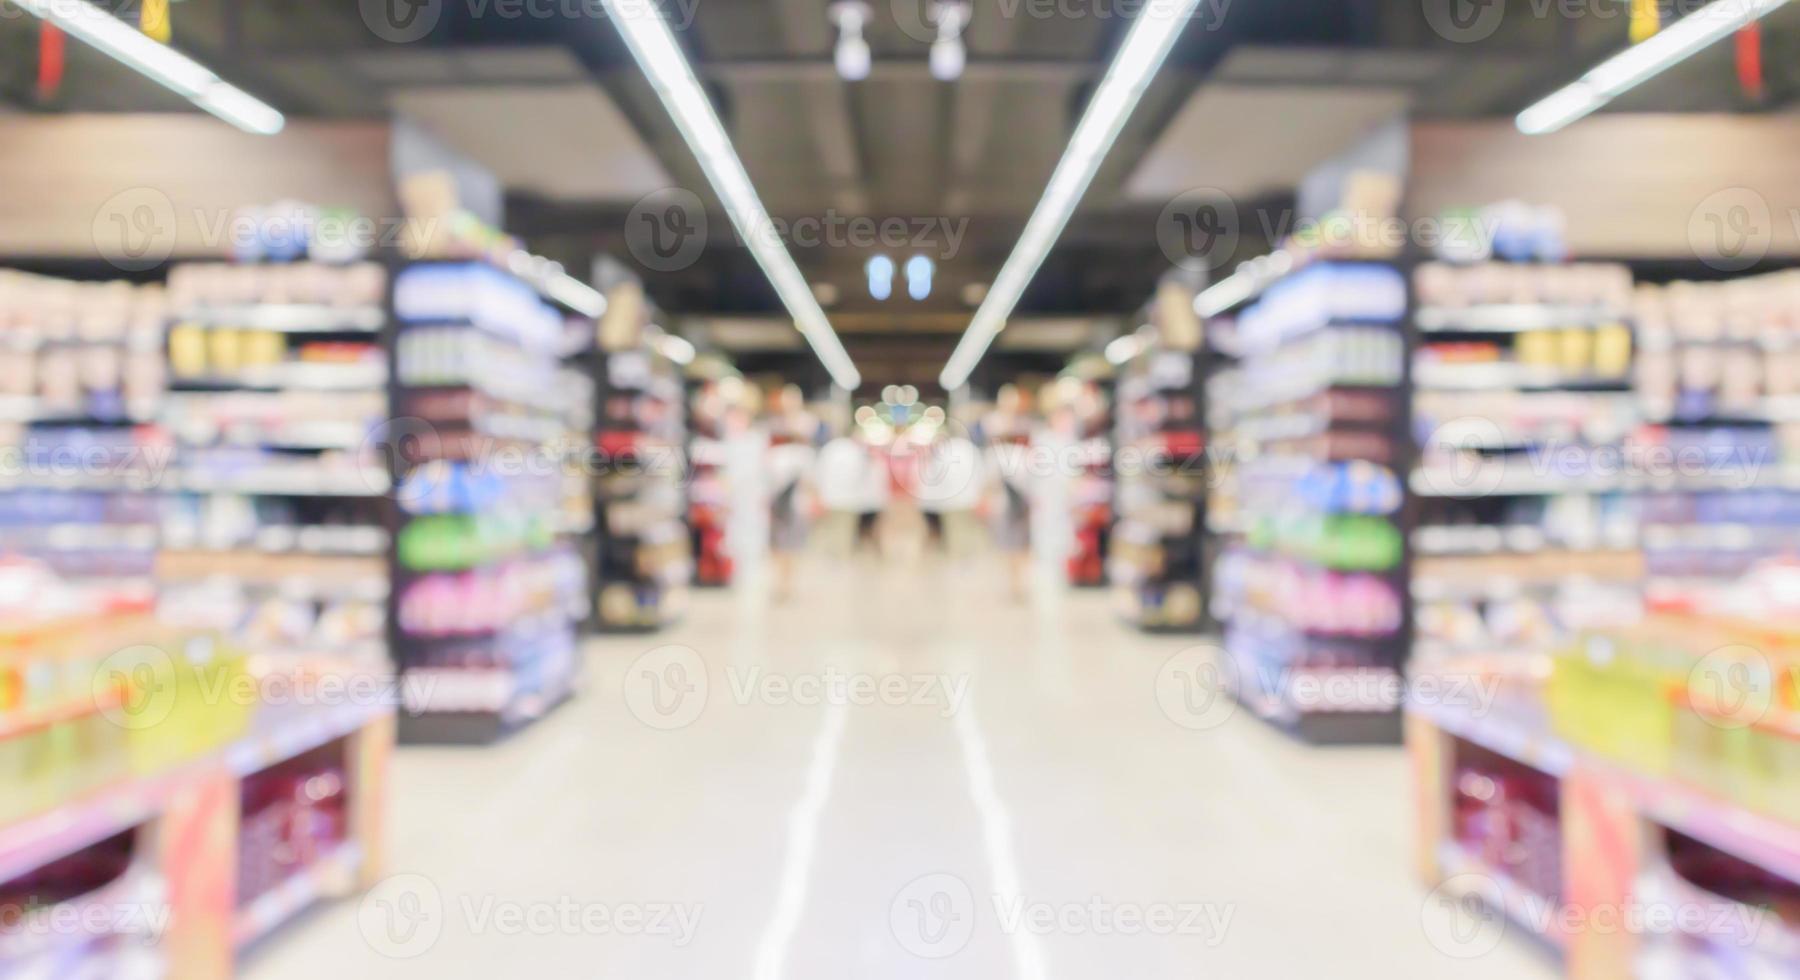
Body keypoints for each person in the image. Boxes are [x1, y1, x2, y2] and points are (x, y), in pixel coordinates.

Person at [977, 385, 1035, 600]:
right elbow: (989, 479)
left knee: (1022, 543)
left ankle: (1020, 583)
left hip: (1022, 501)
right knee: (1007, 543)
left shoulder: (1027, 435)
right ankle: (1013, 583)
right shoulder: (994, 442)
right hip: (1003, 502)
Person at [764, 385, 821, 601]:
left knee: (794, 542)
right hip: (777, 496)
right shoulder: (772, 430)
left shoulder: (806, 433)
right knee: (777, 542)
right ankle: (780, 582)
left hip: (796, 498)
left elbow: (810, 478)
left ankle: (788, 583)